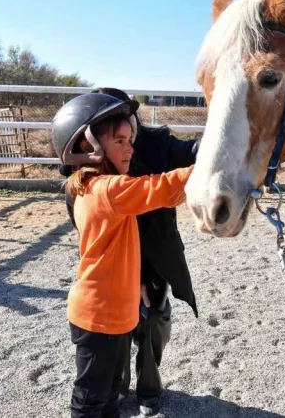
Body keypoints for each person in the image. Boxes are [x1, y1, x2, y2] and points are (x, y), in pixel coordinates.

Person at [58, 88, 201, 417]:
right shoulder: (107, 189)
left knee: (108, 397)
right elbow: (163, 188)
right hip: (99, 317)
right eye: (120, 141)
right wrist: (220, 161)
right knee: (90, 401)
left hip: (112, 313)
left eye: (130, 139)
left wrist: (132, 281)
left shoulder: (93, 186)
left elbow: (121, 250)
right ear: (86, 146)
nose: (130, 149)